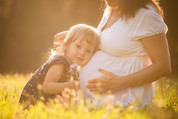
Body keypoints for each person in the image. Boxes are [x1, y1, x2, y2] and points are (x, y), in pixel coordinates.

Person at [79, 0, 171, 106]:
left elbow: (163, 66)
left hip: (124, 98)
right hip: (93, 97)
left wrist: (119, 83)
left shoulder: (146, 16)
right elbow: (105, 42)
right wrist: (76, 37)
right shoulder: (112, 8)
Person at [19, 24, 100, 105]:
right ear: (66, 45)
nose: (82, 53)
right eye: (78, 46)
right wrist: (70, 85)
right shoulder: (60, 63)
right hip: (32, 103)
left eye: (88, 51)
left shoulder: (70, 66)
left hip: (46, 103)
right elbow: (47, 87)